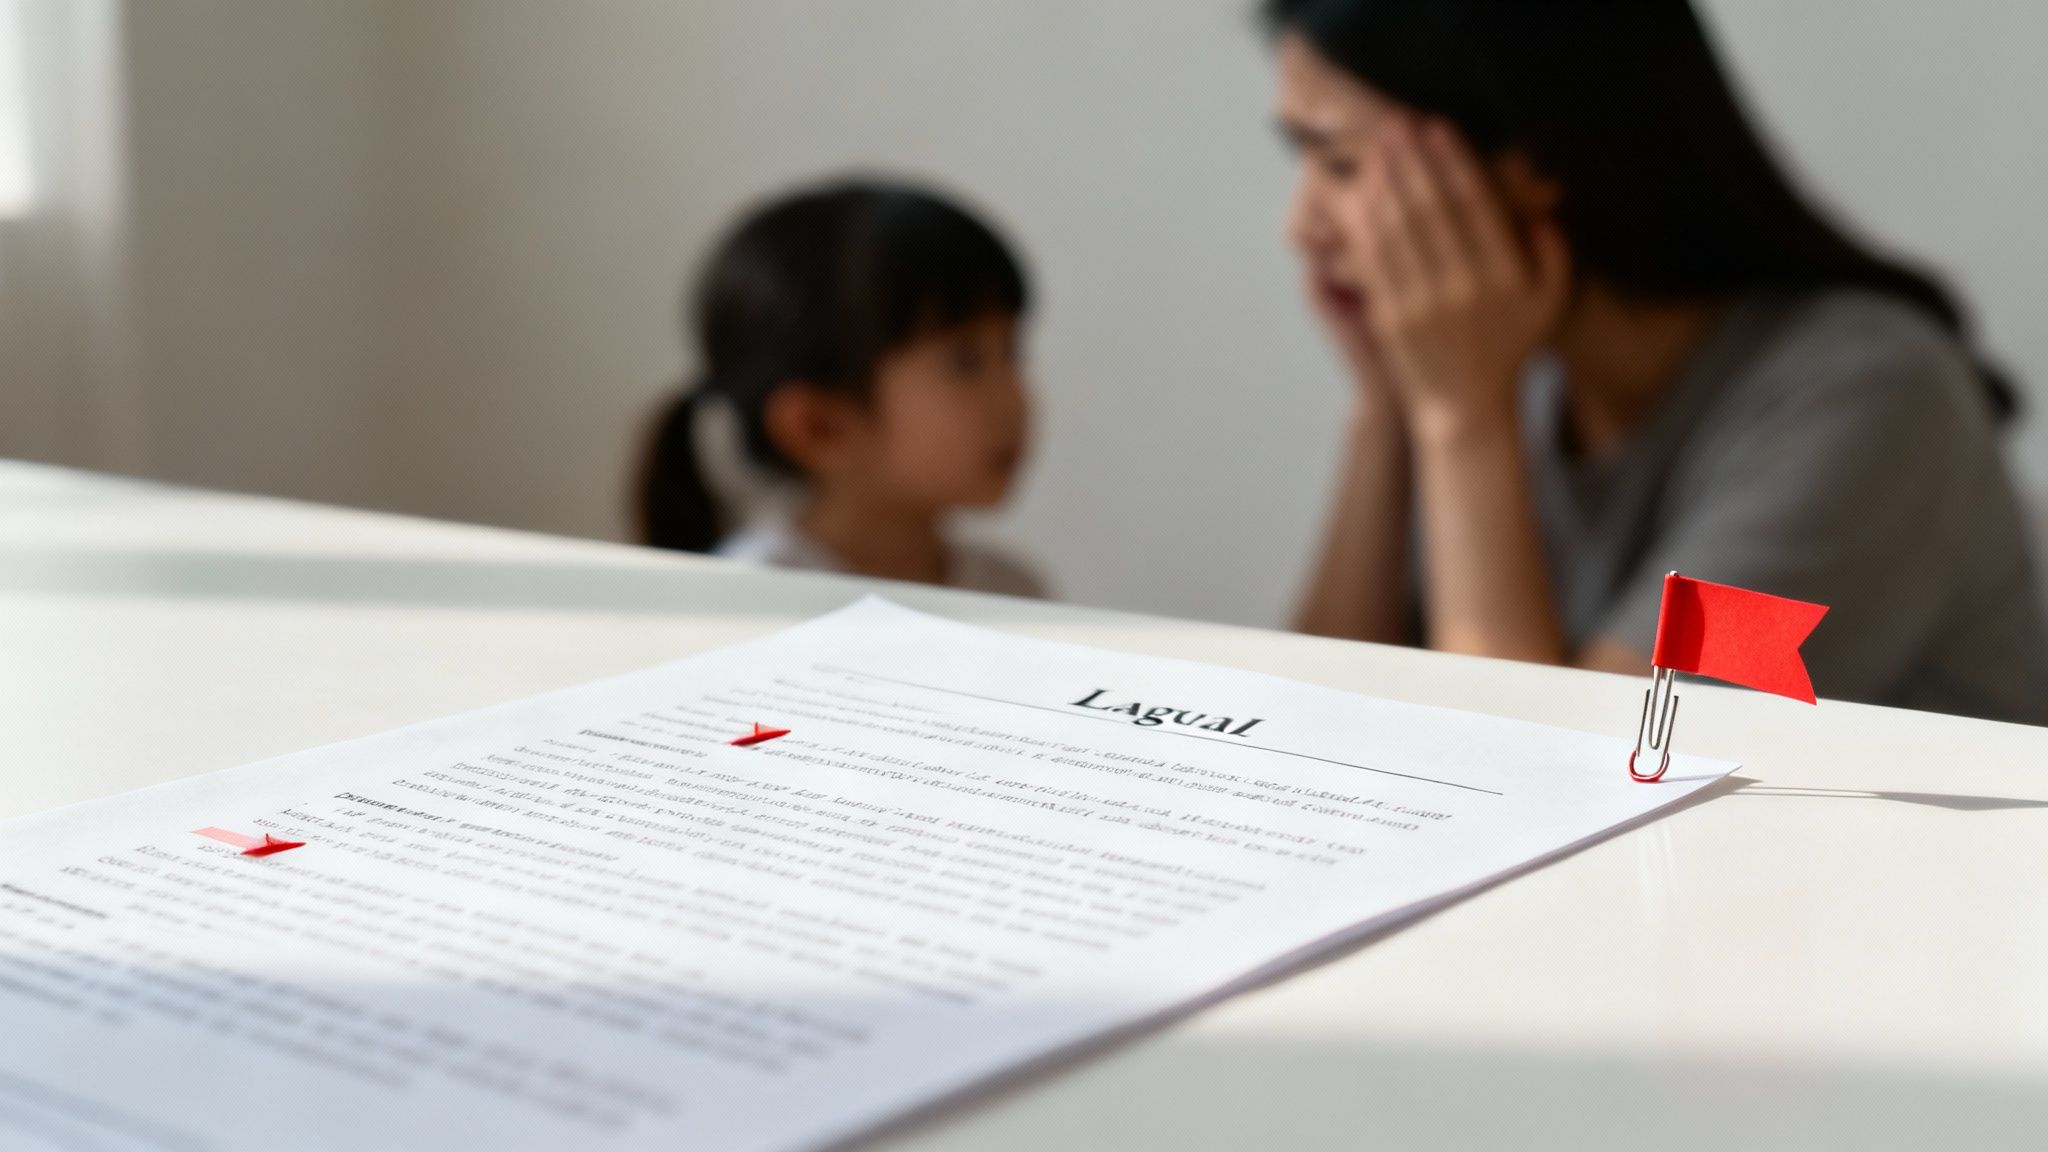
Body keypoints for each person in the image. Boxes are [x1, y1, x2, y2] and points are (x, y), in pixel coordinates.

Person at [1267, 0, 2048, 724]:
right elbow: (1315, 723)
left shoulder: (1875, 409)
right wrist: (1386, 406)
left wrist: (1458, 421)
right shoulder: (1517, 372)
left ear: (1536, 160)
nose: (1302, 227)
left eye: (1339, 164)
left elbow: (1582, 782)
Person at [637, 179, 1043, 597]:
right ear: (820, 426)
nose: (1014, 397)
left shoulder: (1015, 591)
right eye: (965, 362)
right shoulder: (746, 599)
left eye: (1012, 353)